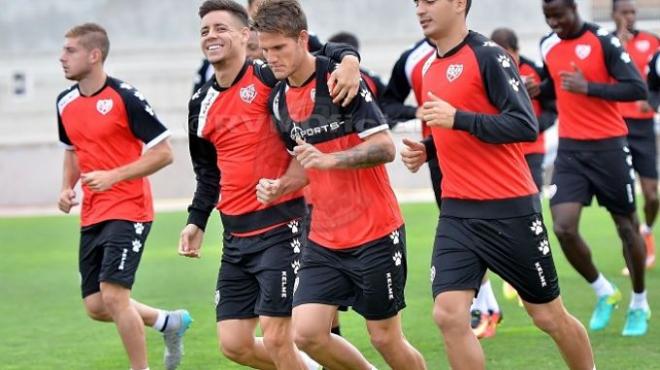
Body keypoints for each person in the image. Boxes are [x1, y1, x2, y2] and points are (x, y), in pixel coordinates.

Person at [405, 1, 594, 369]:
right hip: (457, 210)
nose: (420, 10)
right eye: (416, 3)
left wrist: (458, 118)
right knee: (448, 315)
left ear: (459, 3)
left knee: (548, 317)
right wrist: (427, 150)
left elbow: (524, 125)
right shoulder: (430, 67)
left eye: (429, 1)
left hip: (509, 210)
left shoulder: (489, 56)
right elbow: (456, 132)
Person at [178, 1, 362, 369]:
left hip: (283, 226)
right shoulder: (200, 101)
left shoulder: (269, 78)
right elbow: (208, 172)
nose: (212, 36)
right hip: (235, 238)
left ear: (246, 34)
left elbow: (319, 62)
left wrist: (351, 60)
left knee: (280, 337)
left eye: (221, 28)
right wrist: (197, 220)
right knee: (235, 345)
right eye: (205, 31)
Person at [253, 1, 427, 369]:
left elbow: (384, 148)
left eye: (279, 48)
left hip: (375, 231)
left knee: (384, 337)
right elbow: (305, 165)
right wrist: (280, 186)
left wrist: (332, 159)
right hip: (324, 238)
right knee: (307, 332)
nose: (271, 58)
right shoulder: (279, 101)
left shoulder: (339, 79)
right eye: (265, 49)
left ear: (302, 40)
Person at [56, 23, 191, 370]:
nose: (62, 57)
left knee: (115, 296)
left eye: (70, 51)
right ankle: (167, 322)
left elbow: (164, 152)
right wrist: (66, 188)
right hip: (93, 212)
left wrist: (113, 176)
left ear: (94, 54)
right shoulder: (64, 102)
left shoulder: (125, 97)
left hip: (129, 208)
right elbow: (73, 151)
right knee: (97, 305)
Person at [541, 0, 650, 336]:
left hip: (609, 148)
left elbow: (636, 88)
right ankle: (605, 291)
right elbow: (554, 87)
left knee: (626, 227)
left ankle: (639, 302)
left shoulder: (604, 41)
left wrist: (588, 87)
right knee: (563, 228)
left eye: (559, 15)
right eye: (548, 17)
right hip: (571, 150)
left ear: (575, 9)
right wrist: (539, 89)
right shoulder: (547, 44)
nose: (555, 22)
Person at [612, 0, 660, 274]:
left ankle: (647, 230)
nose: (629, 16)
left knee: (652, 196)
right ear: (614, 15)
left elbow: (657, 81)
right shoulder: (606, 44)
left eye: (632, 12)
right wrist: (618, 42)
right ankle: (635, 250)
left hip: (642, 128)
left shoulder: (652, 42)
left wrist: (652, 103)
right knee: (624, 195)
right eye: (624, 12)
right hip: (615, 127)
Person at [381, 37, 442, 208]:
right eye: (418, 7)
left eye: (430, 6)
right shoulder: (411, 58)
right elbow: (387, 105)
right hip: (436, 156)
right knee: (452, 225)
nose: (421, 11)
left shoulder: (480, 52)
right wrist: (415, 111)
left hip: (479, 152)